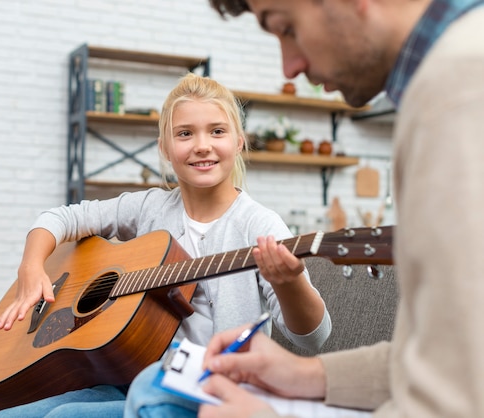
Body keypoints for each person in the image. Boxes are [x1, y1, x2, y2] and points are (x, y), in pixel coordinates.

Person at [184, 1, 484, 418]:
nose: (289, 67)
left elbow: (456, 401)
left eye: (286, 28)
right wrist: (309, 375)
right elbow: (449, 359)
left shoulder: (457, 91)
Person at [0, 72, 332, 417]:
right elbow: (61, 218)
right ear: (165, 149)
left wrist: (289, 283)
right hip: (131, 376)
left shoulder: (260, 225)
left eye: (217, 131)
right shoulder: (150, 208)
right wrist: (31, 268)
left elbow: (313, 338)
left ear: (239, 142)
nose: (202, 145)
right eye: (185, 133)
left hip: (211, 392)